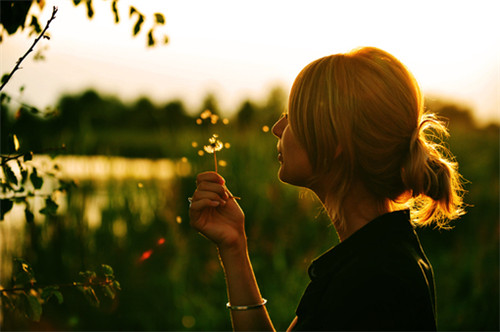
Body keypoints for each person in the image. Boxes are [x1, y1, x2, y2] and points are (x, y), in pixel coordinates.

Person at [189, 46, 464, 331]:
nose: (277, 127)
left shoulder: (371, 283)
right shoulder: (378, 258)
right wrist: (234, 246)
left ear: (334, 141)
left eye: (292, 115)